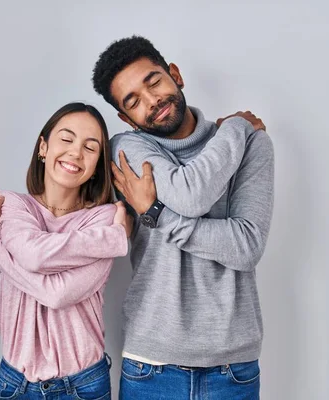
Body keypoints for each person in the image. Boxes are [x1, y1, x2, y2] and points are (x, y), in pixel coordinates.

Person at [91, 36, 275, 399]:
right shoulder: (127, 149)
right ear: (126, 118)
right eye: (134, 102)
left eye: (154, 81)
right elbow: (192, 194)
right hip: (151, 365)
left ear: (175, 74)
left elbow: (247, 245)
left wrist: (155, 213)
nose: (152, 101)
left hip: (232, 369)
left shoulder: (253, 145)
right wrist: (237, 124)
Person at [0, 102, 131, 400]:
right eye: (66, 139)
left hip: (82, 384)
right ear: (43, 147)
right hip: (15, 384)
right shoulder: (13, 204)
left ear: (95, 167)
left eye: (90, 148)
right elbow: (34, 256)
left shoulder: (102, 218)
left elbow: (57, 294)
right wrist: (114, 240)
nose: (76, 152)